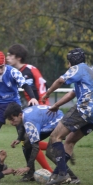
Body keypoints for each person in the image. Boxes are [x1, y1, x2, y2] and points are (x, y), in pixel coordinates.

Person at [42, 48, 93, 185]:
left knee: (55, 137)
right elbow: (72, 94)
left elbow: (60, 81)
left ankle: (63, 175)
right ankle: (59, 174)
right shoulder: (88, 71)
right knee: (69, 142)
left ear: (70, 62)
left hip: (84, 109)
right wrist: (56, 105)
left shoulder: (77, 68)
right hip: (92, 117)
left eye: (68, 63)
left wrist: (47, 93)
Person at [6, 43, 53, 180]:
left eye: (10, 55)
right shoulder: (26, 70)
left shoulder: (26, 72)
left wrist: (39, 107)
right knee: (29, 142)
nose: (7, 57)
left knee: (31, 143)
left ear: (18, 57)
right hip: (39, 108)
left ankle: (50, 171)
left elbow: (38, 91)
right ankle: (56, 148)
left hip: (40, 109)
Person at [4, 102, 80, 184]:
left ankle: (72, 177)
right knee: (27, 142)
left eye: (12, 119)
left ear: (19, 114)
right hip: (52, 119)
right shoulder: (24, 113)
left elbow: (36, 147)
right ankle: (30, 174)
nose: (11, 123)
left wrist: (27, 167)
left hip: (57, 121)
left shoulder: (30, 121)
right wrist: (19, 139)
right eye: (9, 120)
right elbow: (23, 124)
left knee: (50, 153)